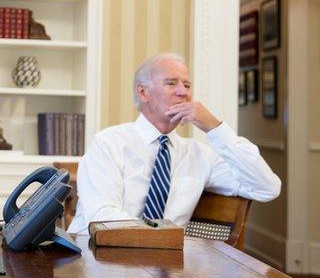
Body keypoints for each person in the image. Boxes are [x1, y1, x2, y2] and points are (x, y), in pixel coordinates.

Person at [68, 53, 280, 235]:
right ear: (143, 93)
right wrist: (160, 241)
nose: (183, 92)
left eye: (187, 85)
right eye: (171, 83)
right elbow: (102, 217)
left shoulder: (199, 155)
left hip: (164, 271)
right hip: (97, 261)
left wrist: (215, 128)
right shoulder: (108, 143)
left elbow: (266, 188)